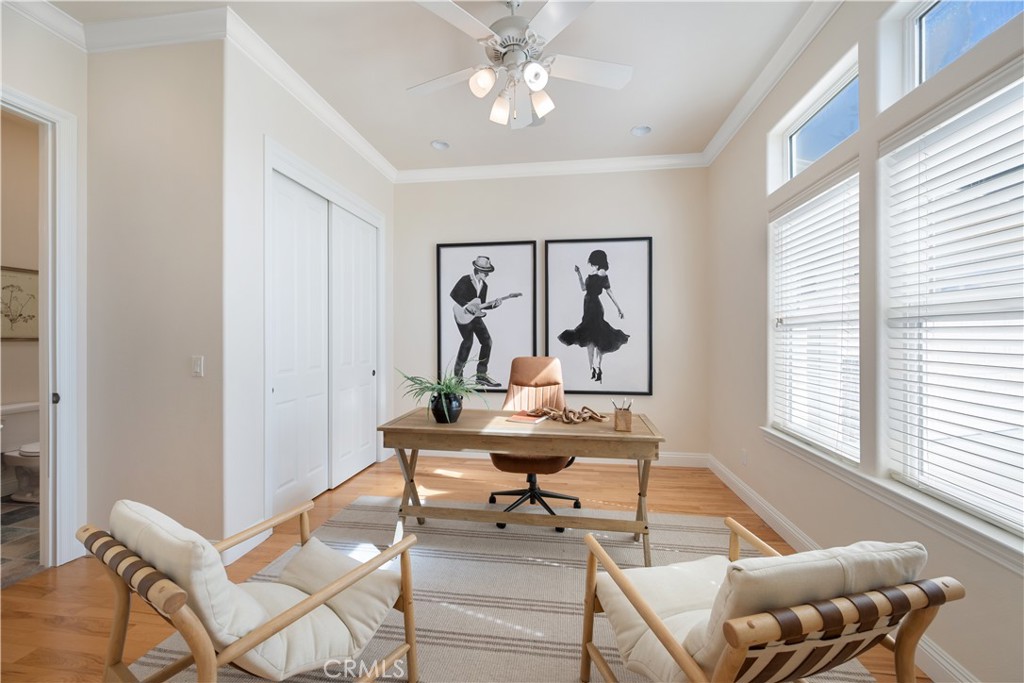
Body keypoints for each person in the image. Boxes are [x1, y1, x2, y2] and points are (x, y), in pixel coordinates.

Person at [557, 249, 628, 383]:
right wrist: (578, 274)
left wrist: (619, 308)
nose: (591, 264)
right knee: (592, 338)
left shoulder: (602, 274)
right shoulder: (593, 274)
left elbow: (609, 292)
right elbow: (583, 288)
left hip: (594, 306)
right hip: (588, 306)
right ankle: (594, 368)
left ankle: (596, 368)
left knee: (595, 338)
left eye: (593, 261)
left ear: (596, 260)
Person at [450, 256, 503, 387]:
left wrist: (493, 305)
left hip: (475, 317)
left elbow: (481, 305)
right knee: (468, 342)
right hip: (462, 315)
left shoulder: (484, 286)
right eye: (485, 272)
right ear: (478, 270)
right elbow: (454, 294)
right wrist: (466, 306)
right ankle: (458, 378)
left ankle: (481, 376)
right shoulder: (465, 280)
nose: (487, 275)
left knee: (487, 342)